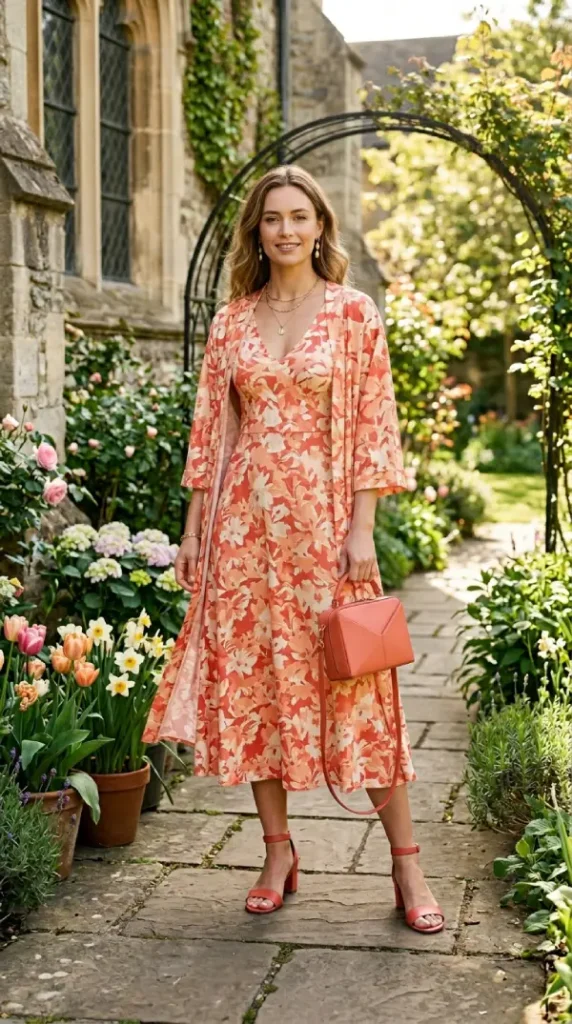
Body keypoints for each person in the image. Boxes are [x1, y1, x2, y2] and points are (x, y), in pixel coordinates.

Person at [143, 165, 444, 933]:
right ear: (257, 230)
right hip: (244, 534)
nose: (284, 230)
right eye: (271, 218)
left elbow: (377, 423)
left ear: (320, 226)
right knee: (255, 692)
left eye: (298, 217)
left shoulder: (352, 314)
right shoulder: (229, 323)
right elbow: (212, 435)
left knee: (362, 691)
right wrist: (193, 531)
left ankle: (407, 866)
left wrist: (362, 529)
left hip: (325, 528)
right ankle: (278, 853)